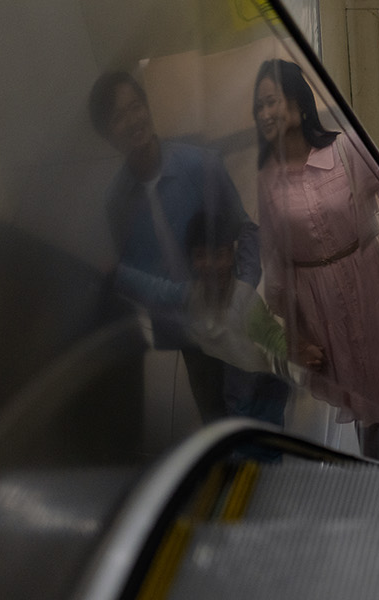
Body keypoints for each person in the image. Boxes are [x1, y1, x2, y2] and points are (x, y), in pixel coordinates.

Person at [253, 59, 379, 465]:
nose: (265, 113)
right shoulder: (268, 179)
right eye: (259, 106)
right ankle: (369, 487)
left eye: (272, 102)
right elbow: (276, 259)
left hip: (367, 284)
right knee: (360, 408)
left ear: (299, 105)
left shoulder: (345, 148)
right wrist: (295, 336)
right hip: (319, 305)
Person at [89, 70, 261, 425]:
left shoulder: (200, 165)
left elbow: (246, 231)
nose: (133, 120)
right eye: (119, 117)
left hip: (233, 314)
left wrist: (243, 291)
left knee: (254, 413)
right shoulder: (116, 202)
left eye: (136, 107)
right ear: (107, 135)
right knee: (215, 420)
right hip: (187, 332)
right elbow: (137, 272)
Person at [115, 212, 295, 453]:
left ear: (229, 256)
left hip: (264, 387)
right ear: (193, 261)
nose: (211, 266)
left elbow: (275, 340)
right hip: (240, 391)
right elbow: (156, 291)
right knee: (244, 434)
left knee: (261, 438)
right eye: (201, 257)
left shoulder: (244, 295)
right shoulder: (191, 295)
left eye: (219, 255)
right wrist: (119, 275)